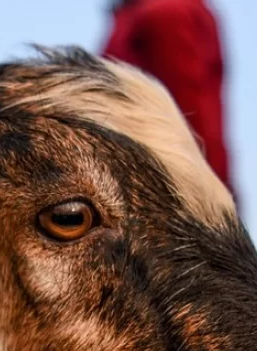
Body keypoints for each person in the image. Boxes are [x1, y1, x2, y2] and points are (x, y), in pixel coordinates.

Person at [100, 0, 237, 203]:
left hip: (168, 187)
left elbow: (188, 109)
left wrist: (201, 195)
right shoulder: (135, 15)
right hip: (143, 180)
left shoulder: (167, 12)